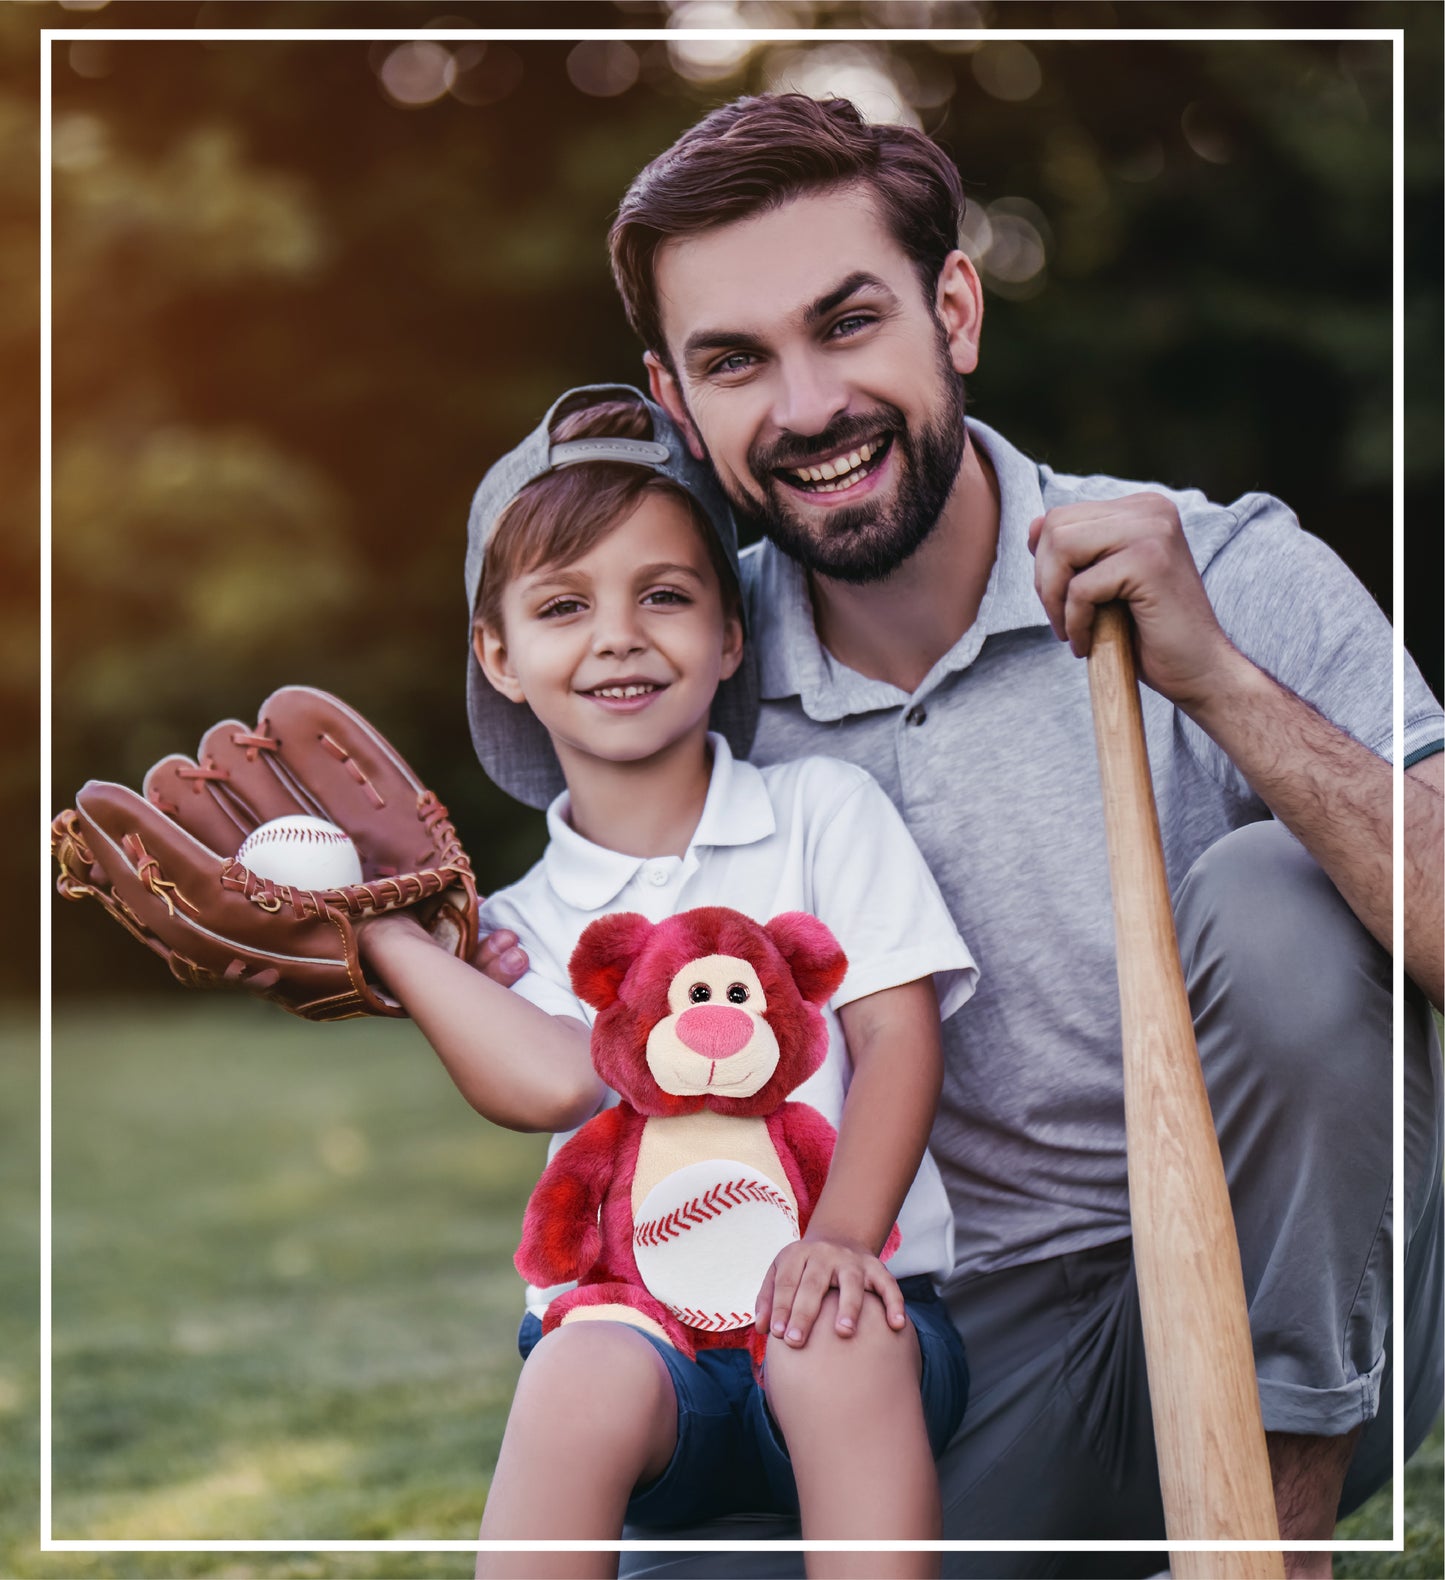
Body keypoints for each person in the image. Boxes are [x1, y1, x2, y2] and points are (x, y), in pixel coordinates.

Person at [477, 94, 1443, 1579]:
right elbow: (562, 934)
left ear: (954, 310)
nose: (806, 406)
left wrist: (1218, 682)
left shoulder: (1222, 566)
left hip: (1283, 1297)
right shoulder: (682, 660)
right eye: (735, 361)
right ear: (675, 398)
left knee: (1276, 900)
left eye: (847, 322)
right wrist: (383, 940)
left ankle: (1265, 1554)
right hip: (929, 1346)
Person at [362, 384, 977, 1580]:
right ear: (498, 654)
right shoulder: (518, 923)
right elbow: (552, 1084)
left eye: (663, 594)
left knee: (832, 1336)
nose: (617, 635)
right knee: (574, 1368)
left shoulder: (820, 812)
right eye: (562, 604)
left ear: (730, 633)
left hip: (859, 1315)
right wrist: (392, 938)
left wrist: (839, 1237)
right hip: (648, 1351)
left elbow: (899, 1039)